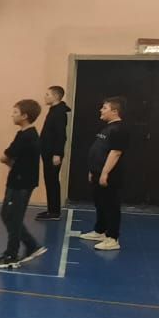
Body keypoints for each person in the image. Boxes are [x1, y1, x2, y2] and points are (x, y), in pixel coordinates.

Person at [0, 100, 49, 269]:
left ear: (25, 116)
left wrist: (8, 161)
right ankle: (31, 245)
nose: (12, 115)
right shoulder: (27, 134)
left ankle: (12, 255)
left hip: (21, 183)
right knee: (7, 214)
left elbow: (6, 156)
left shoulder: (26, 136)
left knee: (13, 218)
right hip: (19, 180)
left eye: (15, 112)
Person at [80, 96, 128, 252]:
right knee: (100, 203)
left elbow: (115, 153)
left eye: (105, 108)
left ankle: (112, 238)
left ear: (115, 111)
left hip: (110, 175)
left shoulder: (119, 129)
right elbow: (99, 150)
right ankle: (100, 231)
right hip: (97, 172)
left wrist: (105, 173)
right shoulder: (107, 128)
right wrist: (92, 170)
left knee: (111, 205)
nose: (101, 110)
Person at [36, 85, 71, 221]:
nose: (45, 97)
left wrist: (57, 153)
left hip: (53, 153)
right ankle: (51, 209)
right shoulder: (54, 110)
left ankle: (54, 212)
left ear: (56, 96)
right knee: (49, 180)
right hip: (47, 152)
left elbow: (61, 135)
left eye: (48, 94)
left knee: (52, 181)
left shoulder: (59, 113)